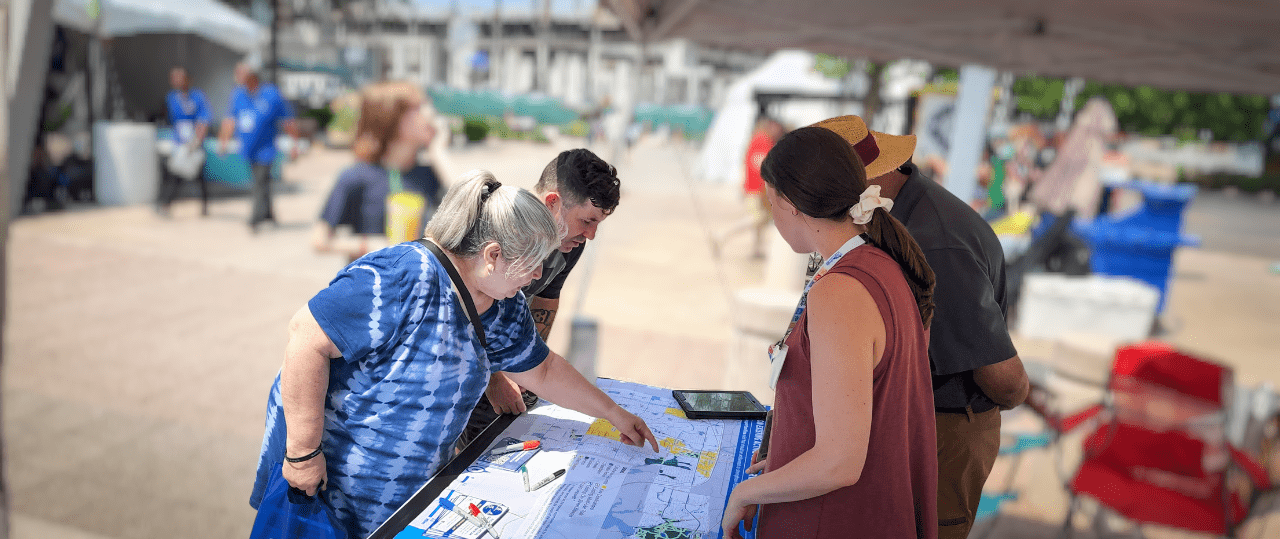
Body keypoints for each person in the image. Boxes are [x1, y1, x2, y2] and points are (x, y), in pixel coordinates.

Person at [250, 170, 658, 538]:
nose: (538, 276)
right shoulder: (401, 276)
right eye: (533, 264)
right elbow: (305, 338)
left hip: (404, 496)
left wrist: (613, 413)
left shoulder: (502, 304)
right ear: (492, 256)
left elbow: (545, 370)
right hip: (330, 487)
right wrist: (303, 453)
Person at [812, 115, 1030, 539]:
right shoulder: (896, 210)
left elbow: (1006, 379)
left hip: (943, 429)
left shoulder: (935, 243)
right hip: (912, 421)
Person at [722, 126, 939, 539]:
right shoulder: (880, 264)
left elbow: (840, 462)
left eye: (771, 202)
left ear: (790, 205)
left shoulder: (840, 291)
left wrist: (746, 492)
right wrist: (786, 460)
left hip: (838, 518)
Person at [457, 148, 621, 449]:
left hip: (503, 360)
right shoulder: (498, 226)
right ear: (553, 202)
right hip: (463, 369)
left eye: (598, 224)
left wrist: (528, 367)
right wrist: (495, 377)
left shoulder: (570, 241)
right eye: (587, 221)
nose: (591, 234)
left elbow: (546, 301)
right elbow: (460, 314)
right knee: (468, 452)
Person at [312, 81, 437, 261]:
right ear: (391, 118)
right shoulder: (357, 176)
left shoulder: (431, 175)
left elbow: (473, 215)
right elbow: (319, 239)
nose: (430, 115)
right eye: (417, 108)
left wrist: (439, 151)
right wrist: (371, 245)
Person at [219, 63, 300, 233]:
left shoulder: (271, 94)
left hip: (266, 149)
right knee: (262, 182)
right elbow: (230, 120)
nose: (237, 77)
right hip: (249, 149)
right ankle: (269, 214)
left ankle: (254, 219)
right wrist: (223, 142)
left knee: (259, 183)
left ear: (252, 76)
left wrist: (294, 144)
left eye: (241, 74)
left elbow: (288, 121)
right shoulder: (238, 95)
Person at [715, 116, 785, 259]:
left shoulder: (762, 140)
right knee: (757, 218)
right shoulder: (762, 140)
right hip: (756, 188)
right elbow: (761, 166)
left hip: (758, 188)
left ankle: (756, 250)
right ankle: (722, 235)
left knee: (762, 220)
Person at [157, 67, 212, 217]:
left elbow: (203, 120)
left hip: (194, 142)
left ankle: (205, 206)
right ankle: (166, 204)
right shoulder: (171, 98)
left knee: (199, 176)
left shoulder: (198, 96)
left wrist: (196, 141)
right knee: (174, 174)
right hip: (179, 143)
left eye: (179, 78)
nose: (176, 81)